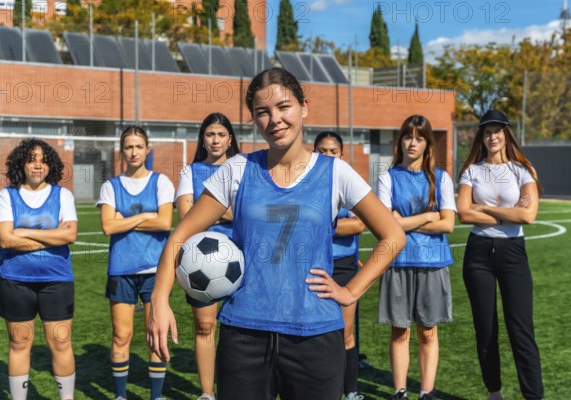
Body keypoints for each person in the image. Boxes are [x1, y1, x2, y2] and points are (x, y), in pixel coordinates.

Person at [147, 67, 406, 400]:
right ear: (254, 119)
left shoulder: (336, 172)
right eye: (262, 112)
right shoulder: (238, 168)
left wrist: (352, 290)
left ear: (303, 107)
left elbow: (393, 235)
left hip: (315, 335)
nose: (275, 119)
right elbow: (180, 233)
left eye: (283, 107)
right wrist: (159, 298)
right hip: (244, 335)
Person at [457, 110, 543, 400]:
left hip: (512, 253)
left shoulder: (523, 170)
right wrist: (508, 215)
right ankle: (495, 393)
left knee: (521, 329)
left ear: (507, 134)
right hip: (478, 254)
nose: (492, 136)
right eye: (486, 131)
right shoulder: (471, 170)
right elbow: (464, 214)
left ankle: (534, 396)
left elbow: (528, 216)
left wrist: (486, 208)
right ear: (481, 136)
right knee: (486, 328)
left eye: (497, 130)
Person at [376, 115, 456, 400]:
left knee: (428, 332)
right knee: (400, 332)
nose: (412, 143)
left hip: (433, 263)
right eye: (408, 137)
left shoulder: (441, 178)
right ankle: (400, 391)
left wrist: (403, 220)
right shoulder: (387, 177)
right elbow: (385, 224)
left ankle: (426, 392)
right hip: (397, 261)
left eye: (419, 138)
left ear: (427, 143)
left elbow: (448, 224)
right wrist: (426, 216)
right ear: (400, 140)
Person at [0, 138, 77, 400]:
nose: (37, 165)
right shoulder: (8, 195)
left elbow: (70, 235)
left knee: (61, 343)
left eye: (43, 160)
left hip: (57, 281)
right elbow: (6, 240)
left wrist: (25, 232)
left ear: (50, 165)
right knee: (19, 344)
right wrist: (52, 236)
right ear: (22, 164)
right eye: (31, 159)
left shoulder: (63, 195)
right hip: (15, 281)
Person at [97, 126, 174, 400]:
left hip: (156, 271)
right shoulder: (111, 186)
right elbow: (107, 226)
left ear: (147, 150)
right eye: (128, 147)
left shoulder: (161, 182)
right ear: (122, 151)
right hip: (121, 270)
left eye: (139, 146)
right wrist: (145, 216)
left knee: (155, 335)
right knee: (121, 335)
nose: (134, 152)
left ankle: (155, 397)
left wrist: (125, 221)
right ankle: (120, 396)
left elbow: (165, 221)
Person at [175, 112, 241, 400]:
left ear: (230, 139)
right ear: (203, 138)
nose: (215, 140)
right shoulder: (190, 171)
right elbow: (186, 217)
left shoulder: (244, 169)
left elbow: (246, 216)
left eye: (221, 135)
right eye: (210, 134)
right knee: (205, 328)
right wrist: (224, 212)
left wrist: (207, 211)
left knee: (242, 330)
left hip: (240, 260)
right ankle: (206, 393)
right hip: (199, 263)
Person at [314, 131, 366, 400]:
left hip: (344, 265)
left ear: (342, 155)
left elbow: (358, 224)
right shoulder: (305, 183)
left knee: (345, 332)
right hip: (313, 265)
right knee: (316, 331)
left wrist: (320, 225)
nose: (327, 156)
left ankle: (351, 390)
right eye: (322, 151)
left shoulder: (349, 182)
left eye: (333, 151)